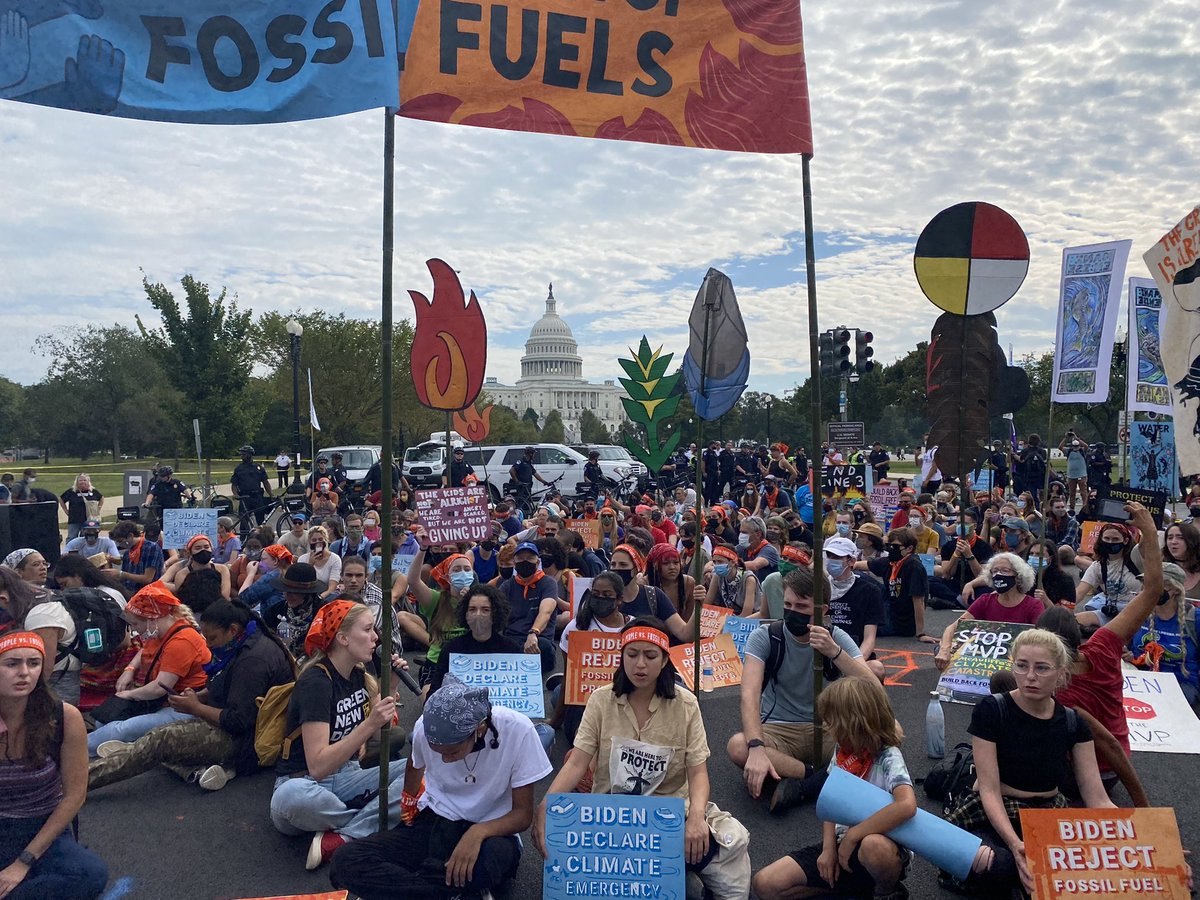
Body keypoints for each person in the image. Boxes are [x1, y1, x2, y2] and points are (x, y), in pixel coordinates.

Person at [534, 618, 752, 900]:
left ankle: (680, 874)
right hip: (610, 816)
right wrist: (546, 804)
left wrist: (697, 818)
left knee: (721, 850)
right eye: (632, 654)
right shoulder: (600, 700)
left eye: (650, 656)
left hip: (669, 815)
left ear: (664, 660)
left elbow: (698, 772)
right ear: (621, 656)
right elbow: (577, 762)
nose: (640, 664)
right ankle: (678, 877)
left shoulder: (686, 705)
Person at [330, 673, 551, 900]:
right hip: (437, 820)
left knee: (488, 864)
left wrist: (477, 833)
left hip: (493, 830)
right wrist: (409, 802)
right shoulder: (424, 727)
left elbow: (522, 815)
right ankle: (449, 892)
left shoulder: (518, 730)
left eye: (452, 752)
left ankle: (422, 886)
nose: (444, 759)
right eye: (437, 752)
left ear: (479, 729)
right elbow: (414, 765)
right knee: (344, 861)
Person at [945, 628, 1114, 896]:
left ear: (1061, 673)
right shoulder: (992, 709)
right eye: (1022, 666)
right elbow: (989, 790)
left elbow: (1098, 798)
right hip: (994, 811)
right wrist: (1016, 845)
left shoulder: (1073, 722)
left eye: (1042, 668)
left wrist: (1153, 843)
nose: (1030, 676)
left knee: (1085, 869)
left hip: (1049, 812)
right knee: (997, 864)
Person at [88, 600, 294, 792]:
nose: (208, 644)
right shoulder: (245, 641)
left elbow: (238, 721)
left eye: (212, 638)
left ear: (232, 630)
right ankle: (143, 754)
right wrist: (198, 697)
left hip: (246, 742)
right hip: (236, 727)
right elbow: (224, 686)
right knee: (162, 739)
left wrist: (195, 707)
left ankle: (84, 779)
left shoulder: (253, 661)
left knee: (162, 739)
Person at [269, 601, 407, 870]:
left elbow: (380, 737)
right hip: (306, 784)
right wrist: (369, 724)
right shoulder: (316, 682)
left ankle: (344, 837)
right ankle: (369, 822)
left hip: (347, 776)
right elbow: (318, 767)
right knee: (290, 797)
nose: (375, 638)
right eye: (367, 629)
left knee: (418, 771)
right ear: (343, 638)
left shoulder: (359, 674)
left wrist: (391, 686)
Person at [753, 677, 916, 900]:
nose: (828, 729)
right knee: (765, 884)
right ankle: (854, 888)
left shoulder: (888, 756)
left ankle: (886, 891)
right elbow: (832, 800)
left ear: (854, 723)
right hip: (842, 843)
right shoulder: (842, 751)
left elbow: (907, 805)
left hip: (881, 844)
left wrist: (854, 835)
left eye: (832, 723)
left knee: (873, 846)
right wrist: (829, 849)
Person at [728, 567, 873, 812]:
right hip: (779, 729)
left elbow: (872, 687)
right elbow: (749, 694)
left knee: (888, 735)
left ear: (822, 610)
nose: (792, 612)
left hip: (829, 727)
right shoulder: (767, 636)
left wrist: (834, 652)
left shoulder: (836, 637)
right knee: (739, 746)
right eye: (788, 605)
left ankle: (803, 784)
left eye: (802, 606)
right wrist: (757, 747)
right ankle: (819, 777)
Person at [1042, 502, 1162, 791]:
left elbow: (1106, 741)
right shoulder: (1104, 646)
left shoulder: (1049, 683)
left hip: (1082, 774)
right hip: (1112, 771)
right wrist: (1150, 530)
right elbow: (1153, 591)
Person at [0, 631, 109, 899]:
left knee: (90, 873)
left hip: (42, 825)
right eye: (12, 664)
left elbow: (74, 796)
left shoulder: (63, 717)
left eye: (33, 663)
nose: (24, 672)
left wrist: (24, 861)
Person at [87, 583, 211, 756]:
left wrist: (129, 694)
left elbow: (159, 687)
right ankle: (125, 748)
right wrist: (130, 669)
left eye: (135, 624)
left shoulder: (182, 641)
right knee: (105, 721)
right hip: (162, 702)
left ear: (152, 619)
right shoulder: (162, 631)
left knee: (120, 729)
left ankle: (74, 752)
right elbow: (145, 650)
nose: (134, 630)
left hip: (183, 708)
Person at [935, 554, 1048, 670]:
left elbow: (1041, 639)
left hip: (1017, 662)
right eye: (995, 571)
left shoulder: (1033, 605)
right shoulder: (985, 600)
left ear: (1018, 576)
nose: (998, 575)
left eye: (1005, 571)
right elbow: (953, 627)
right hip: (984, 659)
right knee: (940, 650)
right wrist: (944, 650)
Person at [1128, 562, 1198, 706]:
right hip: (1141, 679)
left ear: (1176, 589)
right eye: (1147, 584)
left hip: (1181, 682)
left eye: (1159, 584)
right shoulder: (1138, 614)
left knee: (1163, 703)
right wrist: (1128, 656)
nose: (1151, 588)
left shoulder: (1194, 619)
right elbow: (1130, 651)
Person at [824, 537, 886, 681]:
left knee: (876, 668)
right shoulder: (820, 586)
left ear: (851, 561)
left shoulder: (869, 590)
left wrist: (853, 664)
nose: (831, 560)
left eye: (837, 557)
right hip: (823, 652)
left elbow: (869, 638)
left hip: (856, 653)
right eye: (829, 556)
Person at [496, 542, 560, 673]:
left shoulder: (548, 583)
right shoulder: (507, 586)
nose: (525, 562)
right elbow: (495, 611)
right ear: (514, 563)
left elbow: (546, 611)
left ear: (537, 562)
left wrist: (533, 632)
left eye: (530, 558)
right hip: (512, 638)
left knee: (543, 646)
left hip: (539, 639)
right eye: (520, 558)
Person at [609, 544, 695, 642]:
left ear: (636, 568)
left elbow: (684, 634)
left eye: (623, 565)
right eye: (613, 564)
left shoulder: (653, 595)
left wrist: (700, 606)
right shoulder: (603, 595)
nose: (617, 569)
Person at [865, 528, 936, 643]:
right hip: (891, 606)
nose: (891, 549)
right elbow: (862, 565)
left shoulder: (914, 566)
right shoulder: (891, 561)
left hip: (901, 621)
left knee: (860, 626)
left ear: (909, 548)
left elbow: (919, 601)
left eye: (895, 546)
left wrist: (920, 633)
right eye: (888, 545)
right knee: (859, 576)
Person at [1075, 522, 1142, 628]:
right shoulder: (1098, 566)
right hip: (1111, 610)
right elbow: (1079, 592)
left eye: (1115, 539)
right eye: (1107, 538)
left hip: (1135, 612)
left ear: (1125, 540)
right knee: (1073, 621)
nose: (1110, 542)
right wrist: (1061, 609)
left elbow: (1150, 542)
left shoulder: (1136, 558)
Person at [161, 534, 232, 601]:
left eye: (206, 547)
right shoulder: (182, 574)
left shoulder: (222, 569)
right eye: (198, 548)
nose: (203, 550)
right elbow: (184, 598)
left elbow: (225, 596)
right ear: (190, 552)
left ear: (211, 549)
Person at [110, 521, 165, 593]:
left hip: (148, 592)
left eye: (120, 541)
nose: (119, 544)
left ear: (130, 536)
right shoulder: (127, 553)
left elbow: (148, 579)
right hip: (129, 592)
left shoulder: (151, 548)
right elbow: (124, 580)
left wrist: (121, 574)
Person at [231, 445, 273, 527]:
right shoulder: (239, 469)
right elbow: (234, 484)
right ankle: (244, 535)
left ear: (250, 454)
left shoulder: (258, 467)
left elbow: (265, 482)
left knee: (261, 521)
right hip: (245, 497)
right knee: (244, 522)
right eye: (241, 454)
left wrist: (271, 494)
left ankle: (261, 534)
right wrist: (235, 494)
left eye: (244, 454)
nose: (242, 456)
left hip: (257, 496)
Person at [58, 474, 103, 542]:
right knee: (72, 537)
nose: (82, 482)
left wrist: (98, 509)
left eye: (85, 480)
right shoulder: (71, 491)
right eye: (80, 480)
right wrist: (65, 510)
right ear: (77, 482)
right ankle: (70, 548)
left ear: (88, 481)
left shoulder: (93, 491)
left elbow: (101, 498)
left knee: (85, 537)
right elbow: (61, 499)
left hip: (88, 519)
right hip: (74, 519)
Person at [299, 525, 342, 592]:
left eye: (320, 539)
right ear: (309, 542)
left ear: (326, 540)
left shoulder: (335, 559)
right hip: (307, 592)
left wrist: (321, 597)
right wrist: (310, 565)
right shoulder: (302, 559)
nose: (317, 542)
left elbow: (332, 587)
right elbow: (301, 583)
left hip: (327, 593)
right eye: (314, 540)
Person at [1059, 431, 1088, 511]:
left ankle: (1085, 506)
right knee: (1072, 492)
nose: (1076, 448)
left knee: (1083, 492)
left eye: (1077, 446)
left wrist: (1077, 438)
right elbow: (1060, 447)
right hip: (1071, 475)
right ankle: (1072, 508)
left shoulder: (1082, 451)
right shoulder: (1068, 451)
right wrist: (1066, 438)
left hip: (1081, 474)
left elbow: (1086, 446)